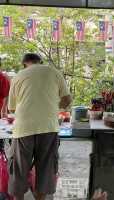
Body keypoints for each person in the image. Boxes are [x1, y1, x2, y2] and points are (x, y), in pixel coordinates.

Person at [8, 53, 71, 200]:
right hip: (48, 127)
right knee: (46, 169)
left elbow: (11, 109)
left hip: (23, 128)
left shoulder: (19, 76)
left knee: (19, 169)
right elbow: (67, 99)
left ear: (24, 64)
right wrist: (55, 108)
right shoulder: (54, 72)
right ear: (40, 62)